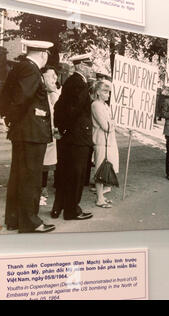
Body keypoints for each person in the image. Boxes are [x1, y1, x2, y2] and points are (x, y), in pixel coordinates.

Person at [0, 40, 56, 233]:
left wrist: (8, 118)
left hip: (24, 132)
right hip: (31, 133)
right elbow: (22, 99)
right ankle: (31, 222)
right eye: (47, 54)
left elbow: (6, 95)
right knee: (30, 179)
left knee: (18, 176)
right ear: (43, 54)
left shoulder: (19, 67)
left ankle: (14, 219)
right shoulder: (32, 70)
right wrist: (13, 119)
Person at [53, 53, 94, 221]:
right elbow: (73, 110)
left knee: (64, 172)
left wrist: (62, 129)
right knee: (76, 174)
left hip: (70, 136)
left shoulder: (71, 82)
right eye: (88, 65)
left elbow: (59, 107)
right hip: (78, 137)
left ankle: (59, 207)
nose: (91, 69)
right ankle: (72, 210)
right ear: (80, 66)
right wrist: (66, 129)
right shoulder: (80, 84)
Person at [91, 80, 119, 208]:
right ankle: (99, 198)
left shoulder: (105, 106)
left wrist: (112, 123)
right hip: (101, 141)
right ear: (98, 92)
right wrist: (112, 123)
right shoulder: (96, 105)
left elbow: (111, 123)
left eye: (108, 92)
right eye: (105, 91)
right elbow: (106, 125)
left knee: (106, 167)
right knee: (100, 169)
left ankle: (102, 195)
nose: (108, 94)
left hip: (109, 141)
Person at [41, 66, 61, 204]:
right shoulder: (41, 94)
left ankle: (42, 187)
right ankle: (40, 188)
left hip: (52, 133)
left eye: (56, 76)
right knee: (40, 162)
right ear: (43, 77)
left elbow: (57, 110)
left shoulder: (53, 93)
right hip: (42, 134)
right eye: (51, 75)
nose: (55, 78)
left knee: (47, 163)